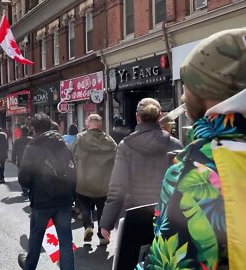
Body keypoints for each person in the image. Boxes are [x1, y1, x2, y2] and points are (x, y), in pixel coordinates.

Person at [139, 29, 246, 269]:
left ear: (207, 89)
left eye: (186, 83)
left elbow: (172, 261)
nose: (184, 93)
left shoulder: (199, 167)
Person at [100, 98, 182, 240]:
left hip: (133, 214)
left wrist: (107, 222)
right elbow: (182, 184)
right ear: (160, 116)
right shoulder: (175, 144)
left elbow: (117, 187)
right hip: (168, 215)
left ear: (138, 117)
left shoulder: (126, 145)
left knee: (133, 258)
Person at [17, 114, 76, 270]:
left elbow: (23, 177)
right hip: (64, 199)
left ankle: (29, 267)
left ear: (34, 129)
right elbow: (74, 171)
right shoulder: (65, 144)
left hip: (41, 201)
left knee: (36, 240)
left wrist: (36, 185)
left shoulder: (33, 147)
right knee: (65, 242)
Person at [72, 114, 116, 246]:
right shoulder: (109, 141)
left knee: (85, 206)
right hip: (103, 183)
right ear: (100, 125)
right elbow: (116, 160)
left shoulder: (80, 138)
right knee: (102, 210)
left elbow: (72, 156)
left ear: (88, 124)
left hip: (83, 181)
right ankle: (102, 236)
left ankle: (88, 226)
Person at [11, 126, 33, 196]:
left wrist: (13, 160)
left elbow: (14, 151)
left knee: (22, 175)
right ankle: (30, 188)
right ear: (28, 132)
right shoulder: (31, 140)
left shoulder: (17, 140)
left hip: (20, 161)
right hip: (30, 161)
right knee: (30, 175)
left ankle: (24, 190)